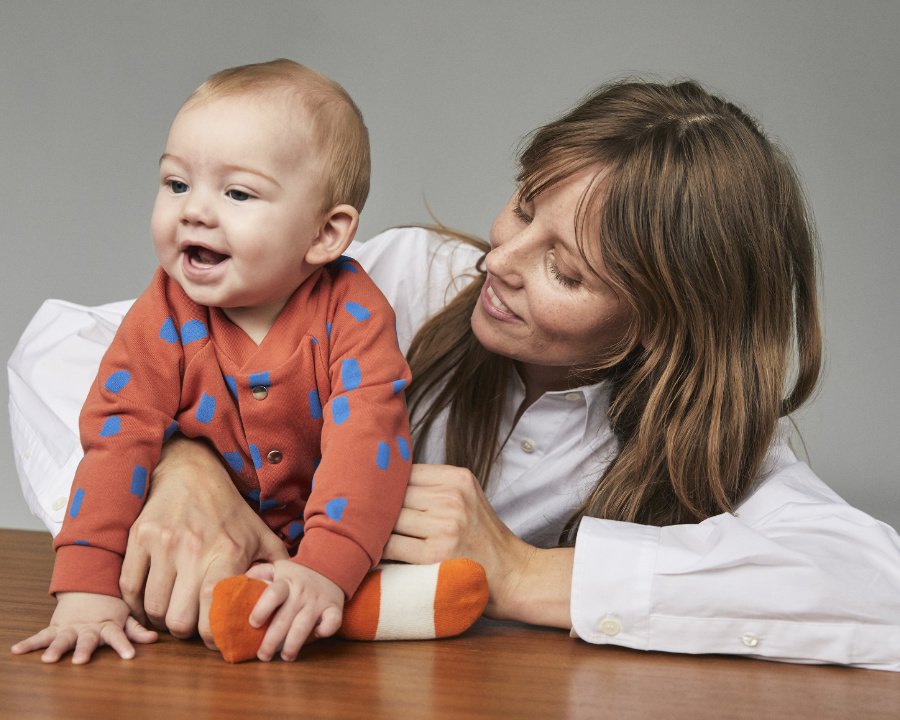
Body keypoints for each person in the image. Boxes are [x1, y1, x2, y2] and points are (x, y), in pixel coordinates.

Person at [9, 78, 900, 671]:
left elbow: (877, 592)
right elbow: (57, 347)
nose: (501, 260)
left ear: (666, 321)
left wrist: (521, 575)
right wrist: (183, 463)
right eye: (523, 205)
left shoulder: (716, 442)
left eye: (569, 271)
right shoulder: (403, 283)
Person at [11, 59, 418, 664]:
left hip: (320, 554)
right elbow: (116, 437)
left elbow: (368, 441)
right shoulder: (165, 314)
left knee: (377, 590)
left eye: (237, 193)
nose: (194, 211)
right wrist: (85, 587)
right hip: (205, 558)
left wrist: (324, 570)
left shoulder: (353, 314)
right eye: (176, 184)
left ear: (326, 234)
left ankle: (356, 601)